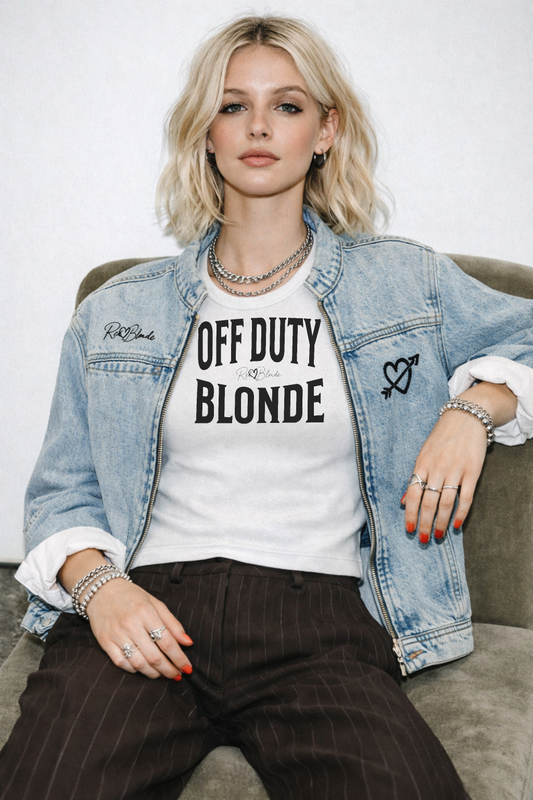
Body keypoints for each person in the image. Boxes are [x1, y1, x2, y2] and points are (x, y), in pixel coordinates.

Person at [1, 14, 533, 800]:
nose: (257, 125)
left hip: (316, 621)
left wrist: (475, 410)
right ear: (202, 132)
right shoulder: (119, 309)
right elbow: (61, 493)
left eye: (286, 105)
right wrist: (97, 589)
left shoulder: (402, 280)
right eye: (231, 105)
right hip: (144, 607)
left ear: (326, 129)